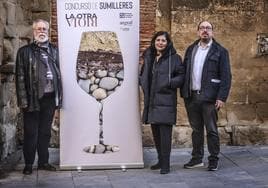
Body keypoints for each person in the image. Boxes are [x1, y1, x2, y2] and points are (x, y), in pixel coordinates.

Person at [181, 21, 232, 171]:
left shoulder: (220, 51)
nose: (205, 31)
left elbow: (226, 76)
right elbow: (185, 70)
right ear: (198, 32)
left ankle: (213, 159)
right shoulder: (191, 49)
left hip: (210, 98)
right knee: (196, 130)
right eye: (202, 28)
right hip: (191, 97)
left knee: (211, 130)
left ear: (212, 32)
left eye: (208, 28)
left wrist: (221, 97)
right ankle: (197, 158)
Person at [15, 19, 63, 175]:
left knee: (45, 132)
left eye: (44, 29)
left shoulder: (54, 50)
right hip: (32, 99)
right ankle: (29, 164)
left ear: (48, 31)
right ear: (34, 31)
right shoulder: (24, 52)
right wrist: (23, 100)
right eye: (38, 29)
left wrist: (59, 97)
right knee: (31, 133)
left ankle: (43, 162)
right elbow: (20, 78)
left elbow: (60, 74)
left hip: (50, 98)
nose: (42, 31)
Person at [139, 31, 185, 174]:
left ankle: (166, 164)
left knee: (165, 135)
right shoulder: (150, 57)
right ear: (154, 42)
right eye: (158, 40)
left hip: (165, 101)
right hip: (152, 101)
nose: (160, 43)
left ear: (168, 43)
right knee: (156, 134)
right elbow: (143, 74)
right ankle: (160, 160)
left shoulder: (174, 58)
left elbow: (182, 75)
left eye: (163, 41)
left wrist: (170, 83)